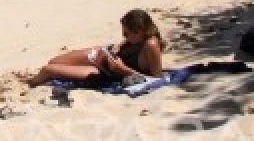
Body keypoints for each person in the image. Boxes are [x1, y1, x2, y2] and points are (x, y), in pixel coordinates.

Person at [25, 8, 166, 87]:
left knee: (48, 70)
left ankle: (28, 83)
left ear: (140, 31)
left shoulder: (151, 45)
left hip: (104, 72)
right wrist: (117, 47)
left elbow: (157, 79)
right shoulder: (136, 39)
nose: (124, 36)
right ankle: (34, 78)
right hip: (103, 57)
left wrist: (122, 70)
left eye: (126, 33)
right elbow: (126, 44)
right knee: (54, 61)